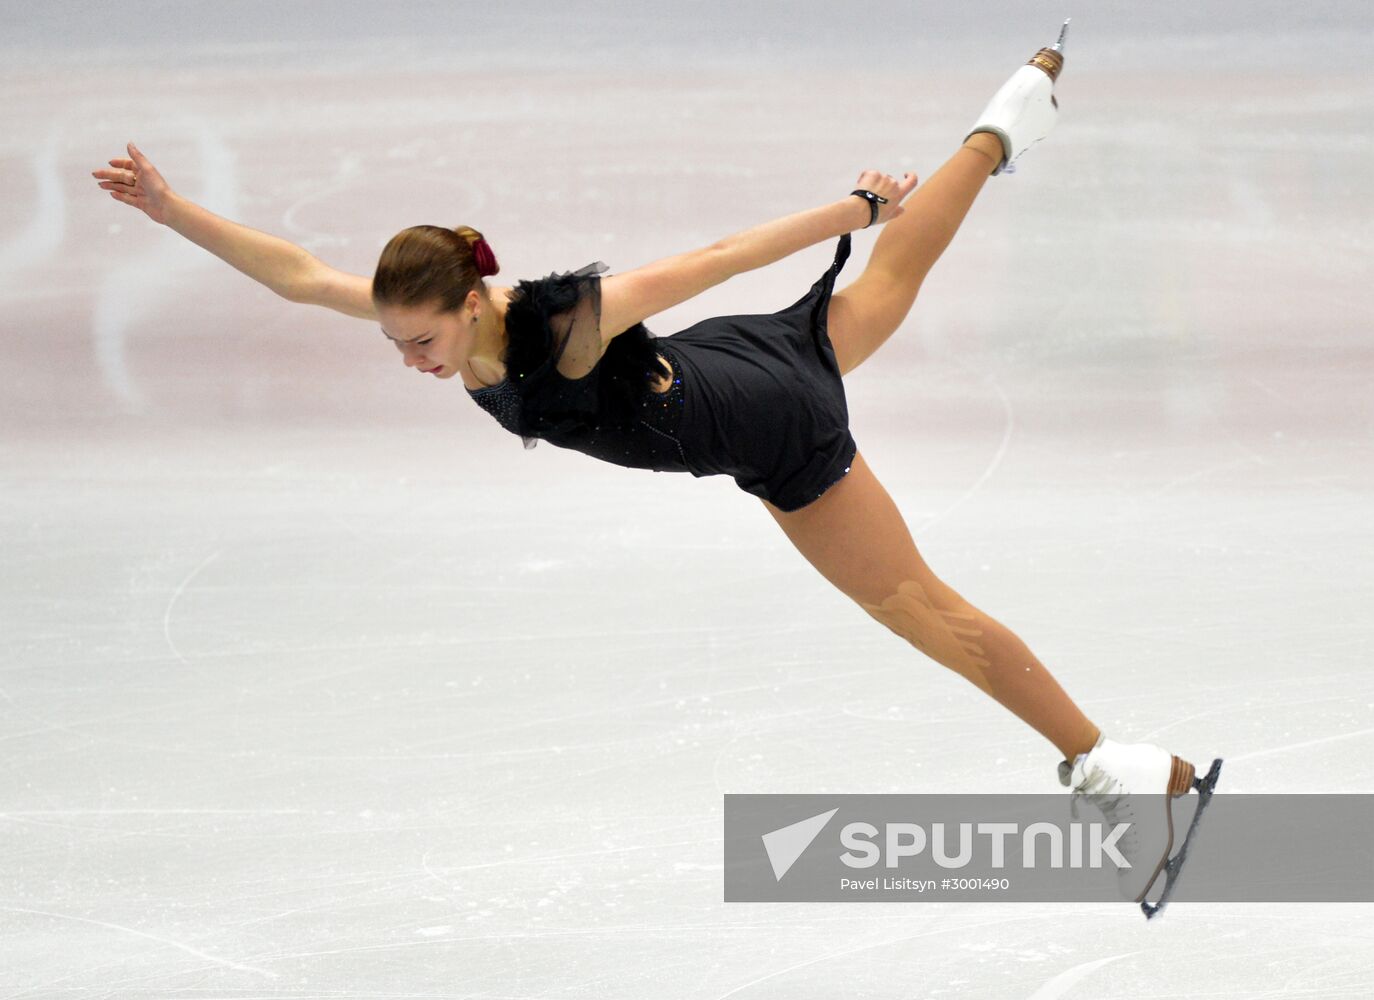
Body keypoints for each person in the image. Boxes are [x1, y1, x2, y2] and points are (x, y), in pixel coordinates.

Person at [92, 33, 1218, 913]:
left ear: (473, 303)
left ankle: (1119, 770)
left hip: (764, 423)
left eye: (423, 343)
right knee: (882, 293)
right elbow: (296, 275)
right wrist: (170, 209)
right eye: (397, 343)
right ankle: (1008, 119)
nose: (411, 362)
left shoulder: (565, 323)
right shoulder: (434, 316)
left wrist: (854, 209)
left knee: (918, 606)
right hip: (727, 367)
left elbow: (715, 257)